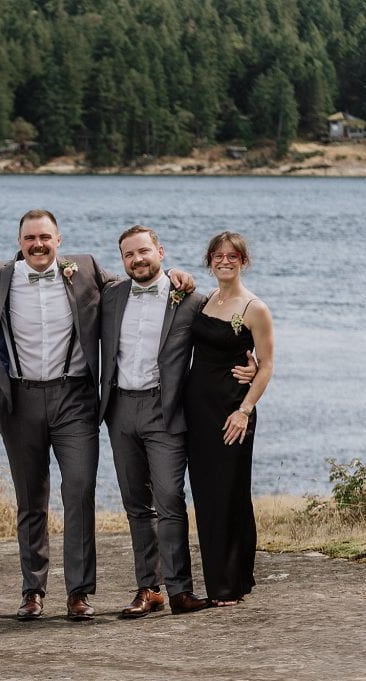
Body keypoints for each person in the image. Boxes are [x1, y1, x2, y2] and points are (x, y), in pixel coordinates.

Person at [0, 209, 193, 621]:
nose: (38, 244)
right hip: (19, 402)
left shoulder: (87, 269)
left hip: (74, 400)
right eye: (30, 238)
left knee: (78, 493)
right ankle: (33, 591)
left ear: (59, 239)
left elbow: (138, 282)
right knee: (30, 500)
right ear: (19, 242)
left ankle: (78, 593)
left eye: (45, 237)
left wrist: (176, 273)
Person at [100, 226, 255, 618]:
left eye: (144, 252)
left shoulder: (190, 299)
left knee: (169, 499)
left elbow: (226, 332)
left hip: (165, 411)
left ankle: (180, 591)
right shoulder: (111, 295)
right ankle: (147, 588)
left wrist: (251, 364)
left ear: (161, 252)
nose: (137, 259)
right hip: (118, 409)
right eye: (129, 254)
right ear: (122, 260)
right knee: (136, 503)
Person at [185, 231, 274, 607]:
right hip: (197, 410)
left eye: (232, 256)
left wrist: (245, 410)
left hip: (231, 412)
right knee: (206, 496)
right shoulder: (206, 301)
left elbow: (267, 365)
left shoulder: (254, 308)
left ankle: (231, 584)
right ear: (210, 261)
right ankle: (218, 580)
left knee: (231, 493)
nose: (225, 261)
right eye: (218, 256)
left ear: (243, 261)